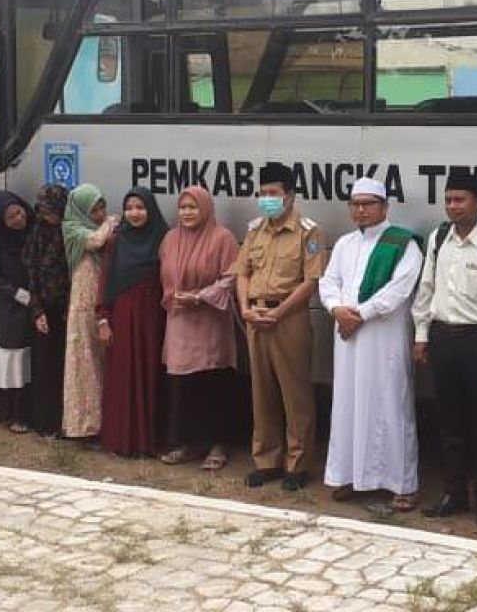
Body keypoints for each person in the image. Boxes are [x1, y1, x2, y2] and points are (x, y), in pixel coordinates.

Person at [412, 167, 477, 529]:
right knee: (449, 420)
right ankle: (453, 493)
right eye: (448, 200)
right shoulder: (439, 239)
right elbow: (426, 289)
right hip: (443, 338)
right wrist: (422, 335)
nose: (453, 206)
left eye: (460, 200)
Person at [319, 177, 424, 511]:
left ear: (384, 206)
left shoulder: (403, 244)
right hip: (348, 338)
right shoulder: (345, 243)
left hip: (384, 338)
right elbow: (328, 282)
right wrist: (336, 308)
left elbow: (398, 291)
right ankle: (351, 475)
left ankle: (401, 484)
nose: (360, 210)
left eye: (368, 204)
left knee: (390, 405)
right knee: (348, 404)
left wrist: (358, 315)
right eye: (355, 204)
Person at [234, 161, 326, 491]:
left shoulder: (308, 231)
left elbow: (311, 280)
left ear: (290, 196)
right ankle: (267, 460)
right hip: (256, 318)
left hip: (290, 319)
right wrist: (245, 308)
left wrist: (280, 311)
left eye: (273, 193)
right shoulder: (255, 229)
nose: (267, 199)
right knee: (262, 393)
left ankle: (298, 464)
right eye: (263, 193)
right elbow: (242, 272)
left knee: (295, 393)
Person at [159, 185, 240, 471]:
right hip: (180, 320)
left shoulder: (223, 238)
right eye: (183, 207)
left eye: (193, 207)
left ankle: (218, 444)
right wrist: (178, 296)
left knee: (212, 383)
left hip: (210, 321)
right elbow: (164, 274)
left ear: (205, 208)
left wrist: (200, 296)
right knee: (183, 385)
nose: (187, 213)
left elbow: (232, 278)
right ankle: (188, 442)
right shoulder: (170, 238)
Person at [97, 187, 169, 457]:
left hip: (154, 319)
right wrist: (102, 319)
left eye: (141, 207)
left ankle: (150, 441)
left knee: (152, 375)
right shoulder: (117, 241)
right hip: (123, 318)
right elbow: (105, 281)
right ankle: (123, 441)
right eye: (129, 208)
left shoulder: (164, 238)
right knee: (124, 376)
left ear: (150, 210)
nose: (135, 213)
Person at [61, 183, 119, 443]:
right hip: (83, 306)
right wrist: (110, 222)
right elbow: (96, 242)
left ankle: (108, 422)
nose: (99, 214)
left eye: (102, 208)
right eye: (93, 209)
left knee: (105, 361)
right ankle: (85, 425)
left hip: (103, 303)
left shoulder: (102, 228)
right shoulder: (72, 227)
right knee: (86, 364)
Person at [0, 191, 36, 434]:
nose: (18, 218)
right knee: (13, 357)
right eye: (10, 217)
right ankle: (12, 413)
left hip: (37, 303)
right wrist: (17, 293)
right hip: (11, 305)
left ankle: (29, 411)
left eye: (18, 211)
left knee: (32, 357)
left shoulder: (33, 229)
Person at [23, 184, 71, 439]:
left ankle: (65, 421)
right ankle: (44, 422)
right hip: (43, 311)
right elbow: (30, 276)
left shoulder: (69, 232)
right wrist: (36, 310)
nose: (49, 215)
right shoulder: (36, 235)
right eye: (44, 210)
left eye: (53, 210)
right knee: (44, 366)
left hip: (67, 310)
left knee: (65, 365)